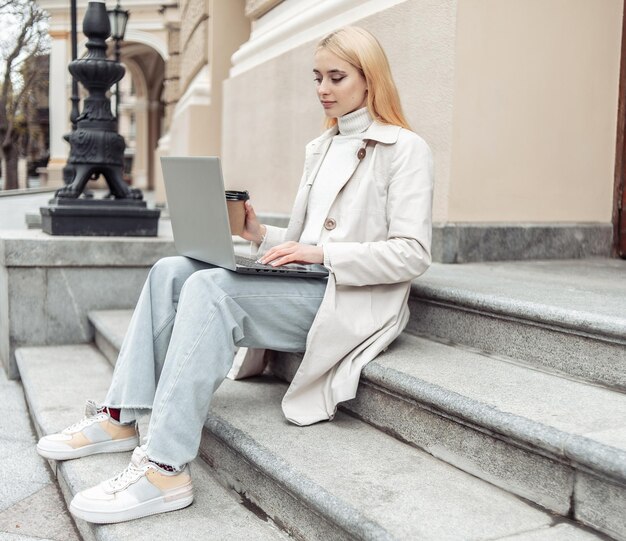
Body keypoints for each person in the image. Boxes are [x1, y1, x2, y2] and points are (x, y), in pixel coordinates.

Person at [36, 26, 434, 524]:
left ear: (370, 80)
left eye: (337, 77)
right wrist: (260, 234)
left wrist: (321, 252)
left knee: (211, 288)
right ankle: (121, 415)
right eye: (317, 78)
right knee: (173, 269)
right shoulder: (324, 145)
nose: (323, 89)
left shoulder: (406, 149)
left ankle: (165, 468)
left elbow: (413, 254)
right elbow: (307, 236)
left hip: (348, 298)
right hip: (308, 284)